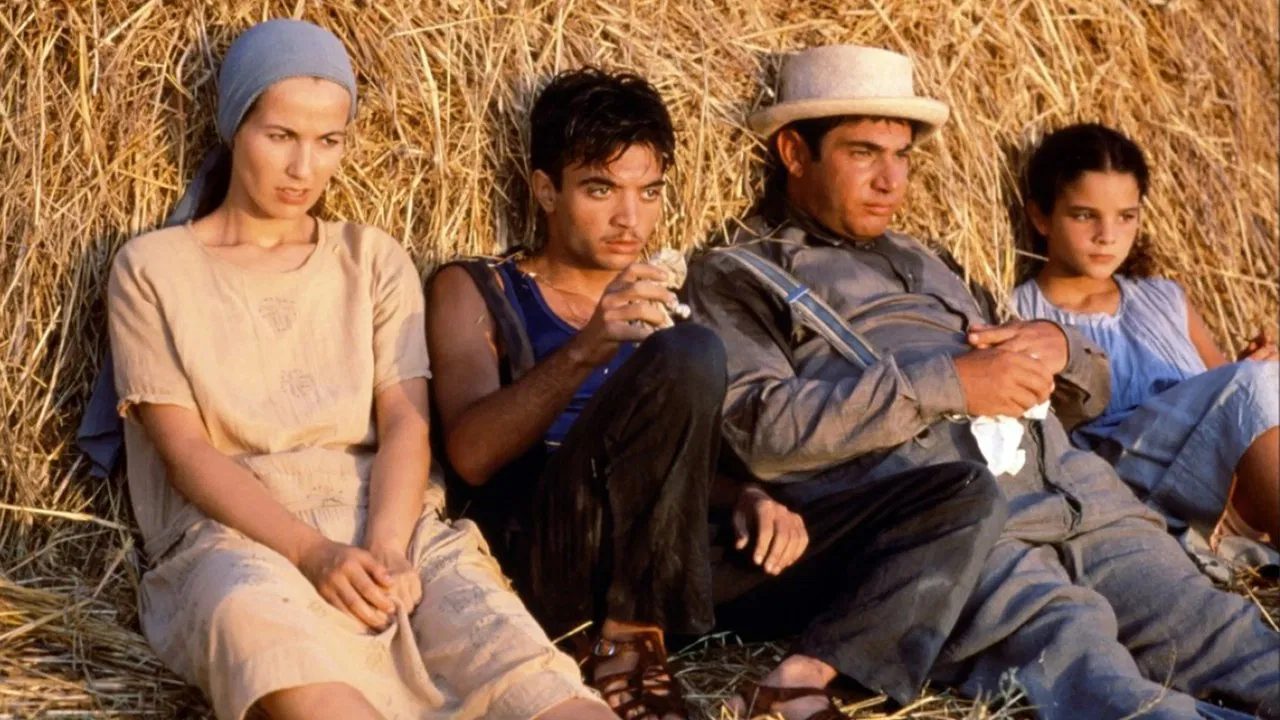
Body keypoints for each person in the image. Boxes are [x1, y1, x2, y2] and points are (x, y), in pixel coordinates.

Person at [686, 44, 1280, 720]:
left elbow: (1090, 398)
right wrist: (948, 384)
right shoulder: (738, 274)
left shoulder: (932, 258)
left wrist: (1062, 348)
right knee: (1089, 673)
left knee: (1231, 635)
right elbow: (759, 431)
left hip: (1079, 493)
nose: (891, 181)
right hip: (957, 525)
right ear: (795, 152)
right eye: (863, 153)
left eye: (902, 155)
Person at [426, 68, 1009, 720]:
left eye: (650, 192)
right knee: (689, 352)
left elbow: (674, 458)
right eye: (600, 189)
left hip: (676, 562)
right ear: (545, 190)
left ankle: (802, 679)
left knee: (963, 492)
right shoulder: (480, 289)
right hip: (556, 552)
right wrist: (589, 346)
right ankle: (626, 645)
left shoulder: (670, 298)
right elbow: (472, 456)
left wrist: (750, 496)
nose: (629, 218)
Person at [96, 20, 612, 720]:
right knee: (273, 646)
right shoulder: (154, 269)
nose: (303, 168)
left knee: (523, 670)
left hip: (389, 518)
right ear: (234, 126)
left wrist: (390, 549)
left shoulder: (371, 259)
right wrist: (313, 554)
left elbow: (405, 423)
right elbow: (186, 453)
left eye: (328, 141)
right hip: (238, 536)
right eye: (280, 136)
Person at [1013, 123, 1278, 554]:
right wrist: (1250, 382)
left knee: (1264, 377)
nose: (1108, 235)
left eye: (1126, 216)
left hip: (1218, 483)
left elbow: (1231, 393)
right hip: (1126, 487)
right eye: (1085, 215)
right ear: (1040, 217)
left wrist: (1253, 368)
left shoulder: (1165, 298)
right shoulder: (1022, 314)